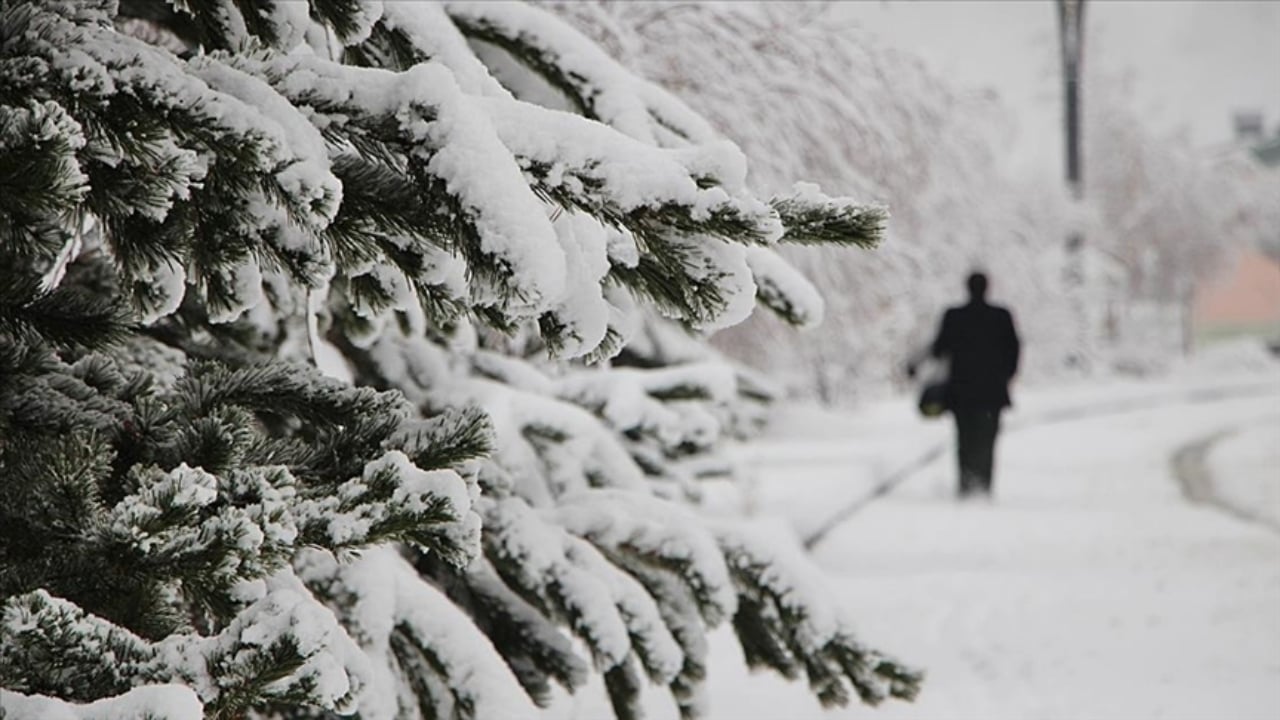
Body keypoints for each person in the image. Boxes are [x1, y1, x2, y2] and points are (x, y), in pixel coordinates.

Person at [913, 272, 1020, 498]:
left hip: (962, 391)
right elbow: (1014, 350)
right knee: (988, 439)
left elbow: (939, 348)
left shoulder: (954, 316)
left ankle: (966, 484)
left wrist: (916, 365)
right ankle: (984, 484)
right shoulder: (1001, 316)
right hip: (992, 392)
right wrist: (1005, 376)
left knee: (965, 438)